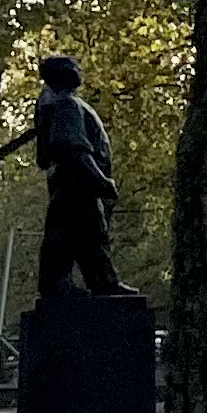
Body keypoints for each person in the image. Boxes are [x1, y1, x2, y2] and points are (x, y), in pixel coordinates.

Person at [30, 53, 124, 301]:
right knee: (68, 233)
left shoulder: (54, 104)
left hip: (74, 184)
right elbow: (73, 148)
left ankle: (103, 280)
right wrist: (101, 181)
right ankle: (58, 285)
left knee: (90, 234)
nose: (80, 71)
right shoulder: (67, 105)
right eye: (75, 68)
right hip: (77, 183)